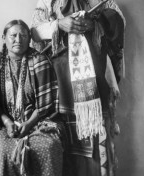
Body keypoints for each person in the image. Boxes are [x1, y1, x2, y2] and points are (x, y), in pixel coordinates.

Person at [31, 0, 125, 176]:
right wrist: (59, 24)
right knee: (62, 138)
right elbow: (34, 31)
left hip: (94, 75)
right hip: (59, 78)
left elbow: (118, 22)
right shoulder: (47, 1)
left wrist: (95, 24)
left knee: (97, 137)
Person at [0, 19, 65, 176]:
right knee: (2, 150)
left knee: (48, 147)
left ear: (29, 38)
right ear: (4, 38)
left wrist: (28, 124)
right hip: (6, 125)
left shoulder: (40, 61)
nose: (18, 40)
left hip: (39, 122)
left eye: (23, 36)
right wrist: (8, 123)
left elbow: (45, 104)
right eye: (13, 35)